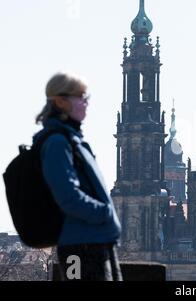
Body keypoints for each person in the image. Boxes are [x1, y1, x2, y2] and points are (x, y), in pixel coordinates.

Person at [34, 72, 122, 281]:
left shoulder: (70, 139)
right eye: (81, 97)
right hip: (80, 246)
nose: (86, 103)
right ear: (61, 101)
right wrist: (104, 213)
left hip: (93, 243)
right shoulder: (57, 142)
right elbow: (67, 197)